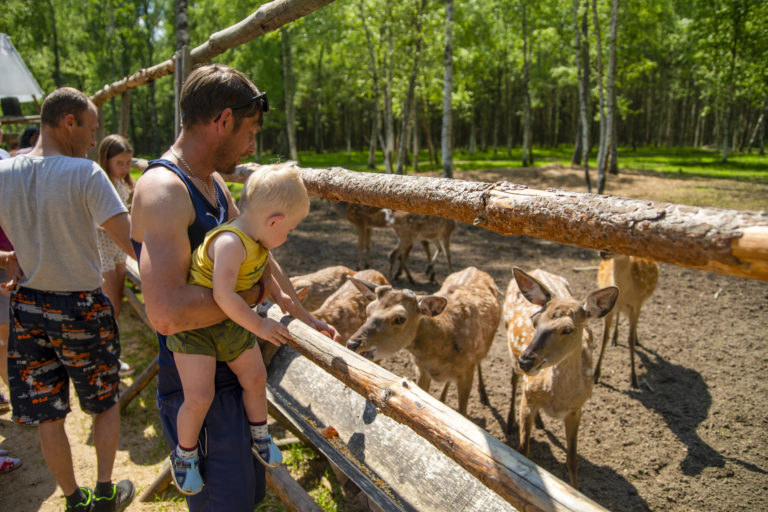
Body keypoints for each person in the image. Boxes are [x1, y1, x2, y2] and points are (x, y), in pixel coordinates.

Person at [130, 63, 339, 511]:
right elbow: (166, 312)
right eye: (250, 130)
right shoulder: (165, 190)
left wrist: (299, 312)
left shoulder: (216, 184)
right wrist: (255, 300)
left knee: (244, 495)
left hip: (230, 363)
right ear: (223, 120)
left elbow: (256, 251)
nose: (252, 143)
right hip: (197, 382)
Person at [0, 87, 135, 512]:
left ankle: (74, 501)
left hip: (27, 309)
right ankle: (106, 492)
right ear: (68, 122)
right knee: (105, 403)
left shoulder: (4, 173)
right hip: (80, 305)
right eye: (91, 129)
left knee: (48, 413)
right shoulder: (85, 175)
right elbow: (133, 243)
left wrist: (11, 258)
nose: (94, 141)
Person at [167, 164, 309, 495]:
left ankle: (260, 434)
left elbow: (261, 269)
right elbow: (223, 295)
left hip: (230, 321)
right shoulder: (231, 243)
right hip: (198, 328)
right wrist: (259, 323)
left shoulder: (257, 238)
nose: (285, 238)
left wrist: (280, 294)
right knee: (199, 395)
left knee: (256, 378)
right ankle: (184, 454)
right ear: (274, 222)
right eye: (289, 230)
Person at [97, 134, 136, 377]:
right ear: (107, 160)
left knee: (116, 305)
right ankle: (106, 361)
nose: (124, 168)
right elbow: (105, 222)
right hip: (102, 250)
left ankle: (109, 356)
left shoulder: (123, 185)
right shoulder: (101, 185)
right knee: (108, 308)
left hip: (118, 250)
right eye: (119, 163)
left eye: (128, 163)